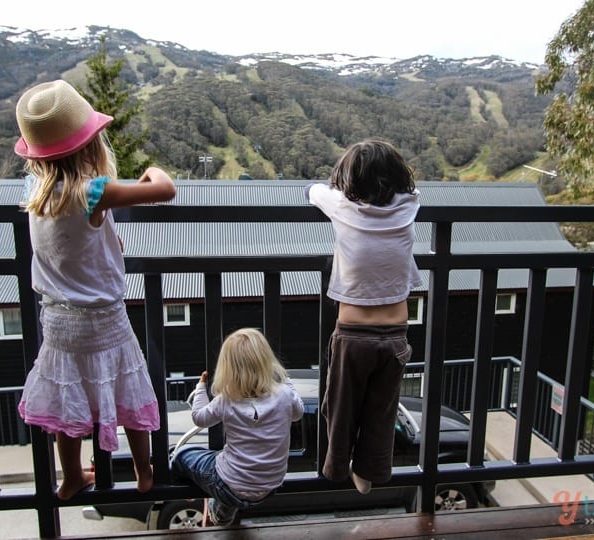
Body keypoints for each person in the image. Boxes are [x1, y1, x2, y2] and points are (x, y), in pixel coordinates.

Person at [14, 79, 177, 500]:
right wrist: (152, 171)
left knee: (68, 399)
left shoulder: (39, 197)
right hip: (104, 319)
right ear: (89, 146)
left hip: (59, 321)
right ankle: (144, 473)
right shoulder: (93, 192)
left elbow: (80, 245)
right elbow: (165, 188)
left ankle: (70, 477)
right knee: (128, 389)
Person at [305, 138, 421, 494]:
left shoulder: (342, 206)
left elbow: (312, 191)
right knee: (381, 412)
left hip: (354, 333)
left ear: (349, 181)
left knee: (339, 408)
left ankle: (336, 468)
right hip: (397, 334)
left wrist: (333, 189)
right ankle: (368, 472)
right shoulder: (411, 205)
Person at [171, 328, 304, 526]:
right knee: (233, 476)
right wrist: (288, 383)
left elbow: (199, 418)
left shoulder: (227, 401)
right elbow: (298, 414)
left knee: (183, 454)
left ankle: (186, 490)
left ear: (227, 369)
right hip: (270, 486)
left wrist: (200, 388)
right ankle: (221, 515)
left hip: (229, 482)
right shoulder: (284, 395)